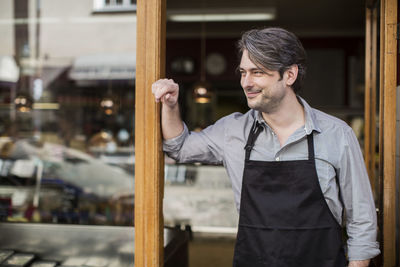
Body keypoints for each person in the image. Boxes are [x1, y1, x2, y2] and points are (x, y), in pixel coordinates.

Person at [152, 27, 380, 267]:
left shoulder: (336, 134)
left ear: (289, 75)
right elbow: (180, 147)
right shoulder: (233, 131)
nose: (246, 83)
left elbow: (361, 216)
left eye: (257, 72)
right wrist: (170, 105)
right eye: (243, 72)